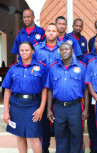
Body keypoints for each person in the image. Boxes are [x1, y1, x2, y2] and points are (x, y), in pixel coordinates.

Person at [2, 41, 47, 153]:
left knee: (33, 136)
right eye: (22, 50)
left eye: (27, 50)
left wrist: (41, 108)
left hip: (33, 105)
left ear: (32, 51)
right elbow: (7, 90)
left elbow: (44, 90)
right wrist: (6, 111)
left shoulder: (40, 67)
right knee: (20, 135)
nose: (24, 52)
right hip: (17, 105)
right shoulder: (13, 68)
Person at [46, 43, 89, 153]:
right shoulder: (53, 68)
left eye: (67, 49)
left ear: (72, 51)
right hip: (59, 107)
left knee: (77, 138)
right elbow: (50, 89)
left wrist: (86, 109)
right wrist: (49, 109)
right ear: (59, 52)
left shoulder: (81, 67)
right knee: (60, 138)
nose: (64, 51)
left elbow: (86, 89)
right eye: (62, 50)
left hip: (75, 107)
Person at [33, 23, 61, 153]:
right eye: (48, 31)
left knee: (60, 124)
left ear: (57, 33)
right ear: (46, 33)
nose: (51, 33)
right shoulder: (37, 49)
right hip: (41, 92)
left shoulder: (64, 48)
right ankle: (44, 149)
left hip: (59, 92)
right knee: (43, 124)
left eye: (53, 31)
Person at [81, 33, 97, 153]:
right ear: (93, 44)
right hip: (91, 95)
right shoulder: (87, 57)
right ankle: (94, 148)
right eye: (96, 41)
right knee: (92, 124)